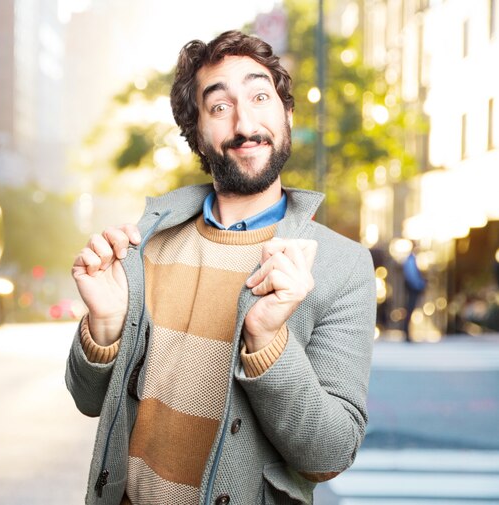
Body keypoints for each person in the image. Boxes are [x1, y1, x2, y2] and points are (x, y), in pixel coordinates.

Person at [66, 30, 376, 505]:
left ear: (286, 113)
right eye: (219, 107)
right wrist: (105, 326)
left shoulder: (343, 265)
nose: (244, 121)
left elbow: (330, 453)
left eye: (259, 96)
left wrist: (269, 342)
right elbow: (90, 400)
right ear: (197, 133)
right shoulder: (144, 245)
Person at [402, 249, 426, 342]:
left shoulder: (411, 260)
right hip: (413, 289)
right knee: (410, 309)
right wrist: (420, 285)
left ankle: (407, 332)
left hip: (412, 288)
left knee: (410, 310)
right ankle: (406, 332)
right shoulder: (411, 260)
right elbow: (412, 276)